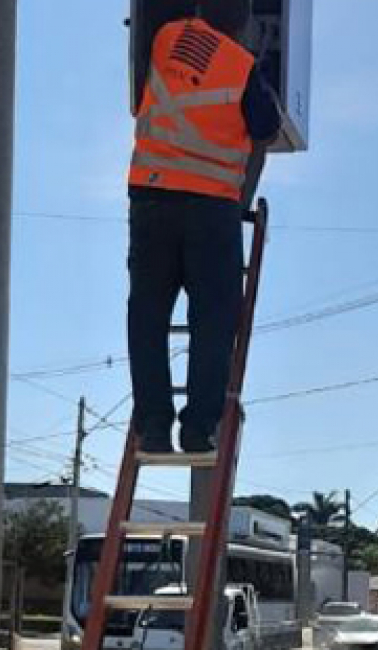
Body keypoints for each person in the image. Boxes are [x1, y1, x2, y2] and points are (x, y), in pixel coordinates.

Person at [127, 0, 281, 454]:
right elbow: (266, 127)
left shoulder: (165, 38)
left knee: (148, 316)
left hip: (151, 200)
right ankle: (198, 428)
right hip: (212, 208)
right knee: (213, 321)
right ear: (242, 23)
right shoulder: (242, 66)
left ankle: (153, 427)